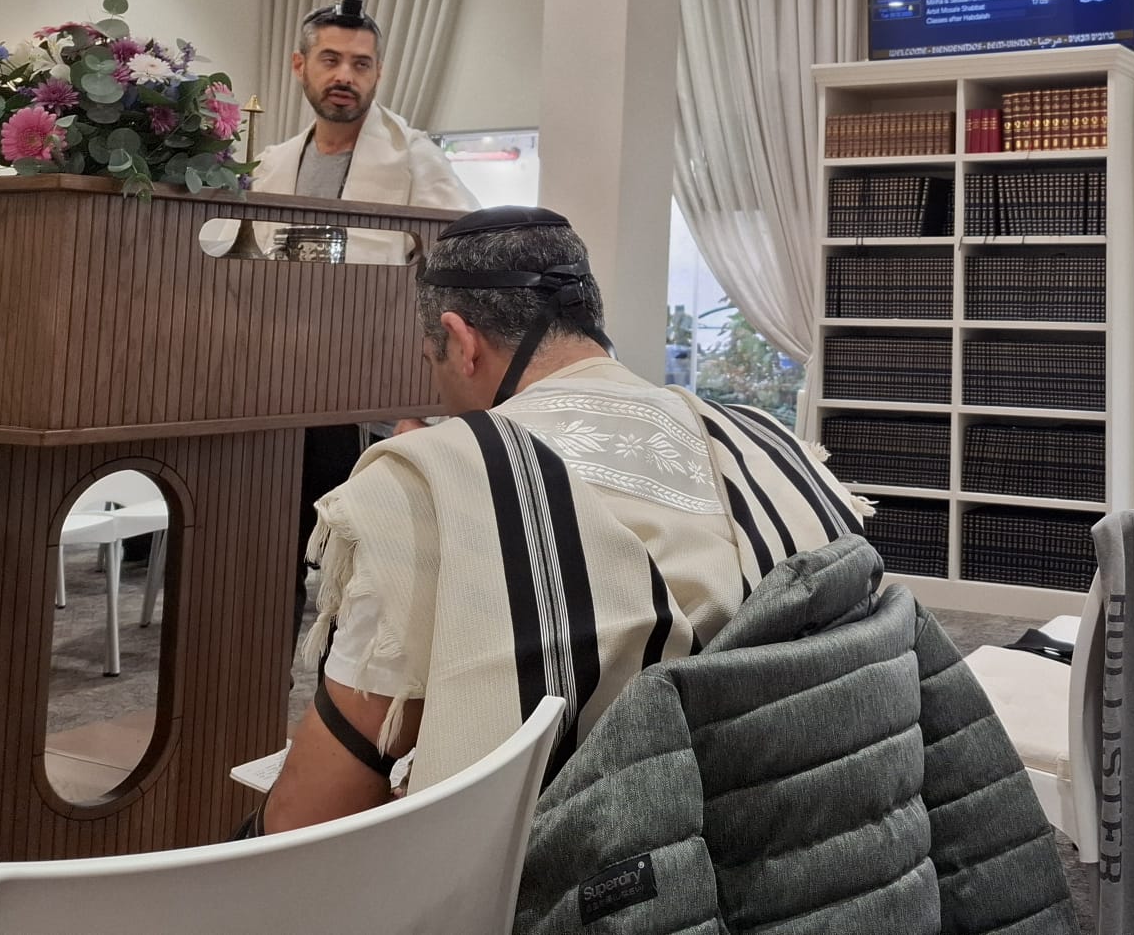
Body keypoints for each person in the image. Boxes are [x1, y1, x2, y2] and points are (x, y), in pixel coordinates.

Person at [255, 205, 864, 834]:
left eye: (432, 363)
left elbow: (317, 815)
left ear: (460, 342)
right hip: (834, 832)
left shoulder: (434, 482)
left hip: (599, 864)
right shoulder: (772, 446)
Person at [245, 0, 480, 636]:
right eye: (331, 60)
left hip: (368, 397)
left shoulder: (414, 159)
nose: (345, 75)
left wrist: (417, 401)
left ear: (378, 74)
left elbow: (457, 269)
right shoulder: (273, 163)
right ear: (300, 66)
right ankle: (263, 678)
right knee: (269, 552)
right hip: (279, 390)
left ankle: (342, 688)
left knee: (359, 577)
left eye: (361, 63)